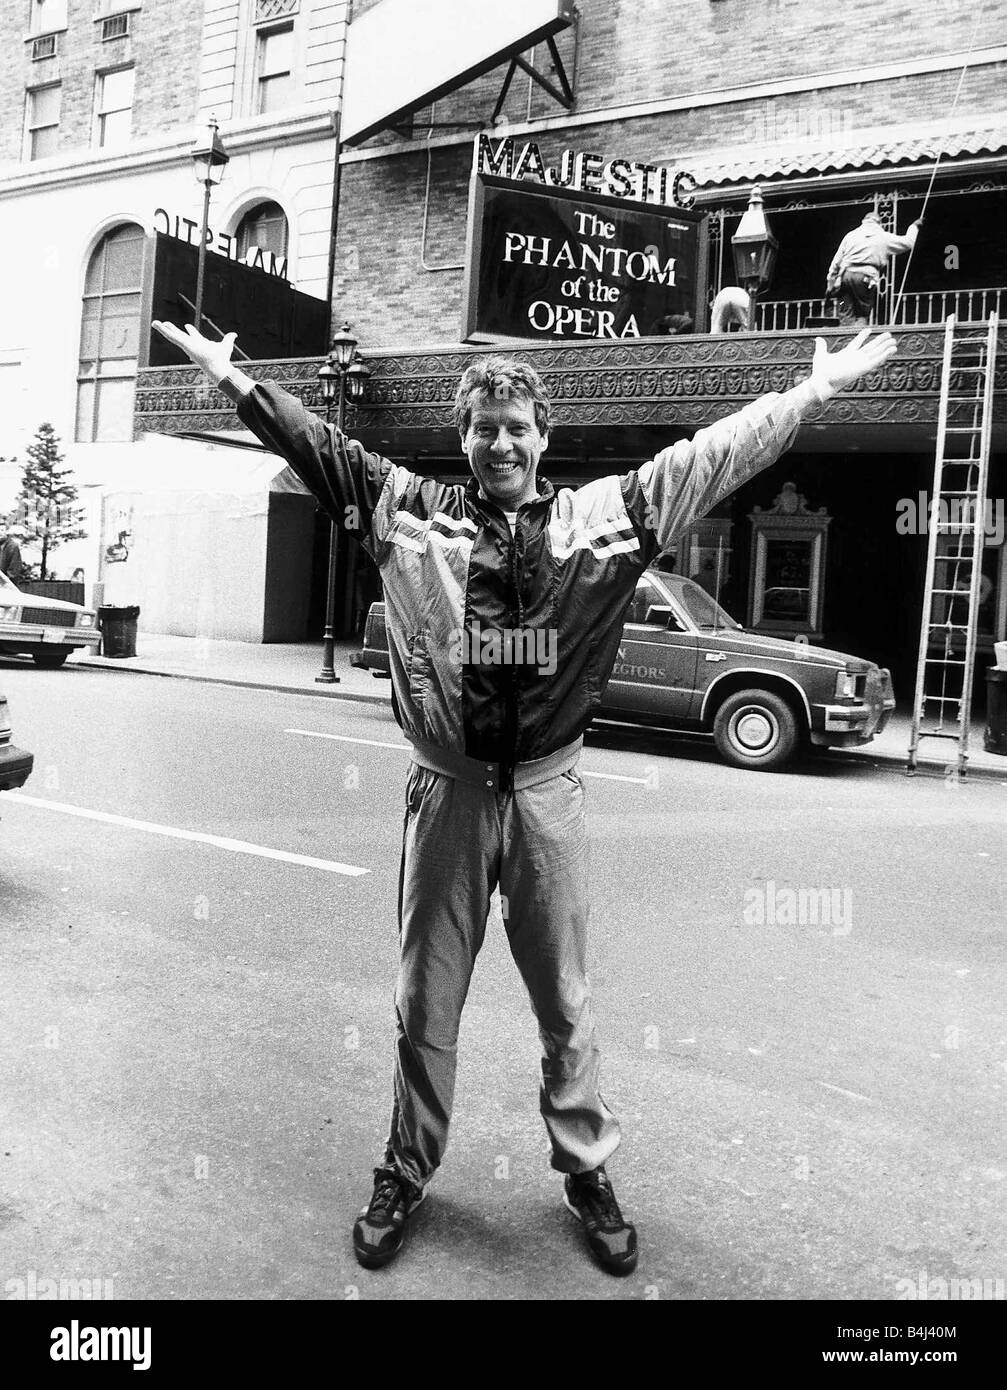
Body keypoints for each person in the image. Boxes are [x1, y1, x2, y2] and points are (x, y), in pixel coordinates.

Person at [152, 316, 897, 1277]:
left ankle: (586, 1170)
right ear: (460, 438)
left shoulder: (603, 518)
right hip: (450, 796)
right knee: (427, 998)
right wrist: (235, 378)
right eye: (481, 427)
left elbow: (713, 456)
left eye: (514, 425)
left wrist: (814, 392)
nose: (498, 443)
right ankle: (405, 1169)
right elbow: (322, 449)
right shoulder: (410, 511)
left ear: (543, 434)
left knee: (566, 1003)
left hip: (548, 800)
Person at [826, 210, 922, 327]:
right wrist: (914, 226)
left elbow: (836, 262)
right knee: (862, 313)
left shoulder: (850, 235)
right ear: (879, 223)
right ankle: (858, 338)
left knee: (845, 311)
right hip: (866, 278)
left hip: (845, 277)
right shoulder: (883, 237)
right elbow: (908, 243)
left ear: (863, 221)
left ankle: (844, 338)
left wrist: (830, 284)